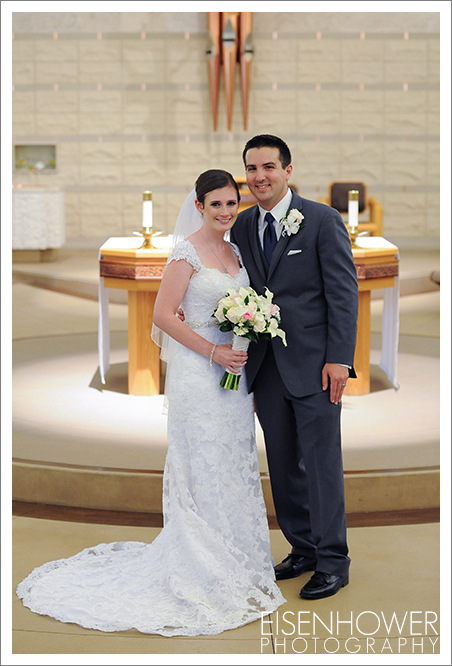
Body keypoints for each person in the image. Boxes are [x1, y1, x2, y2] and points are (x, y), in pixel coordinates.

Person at [16, 169, 285, 636]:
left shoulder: (238, 252)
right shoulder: (185, 253)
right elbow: (162, 315)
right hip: (199, 372)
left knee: (230, 458)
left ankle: (234, 556)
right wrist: (213, 351)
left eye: (231, 203)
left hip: (234, 375)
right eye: (215, 204)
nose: (225, 212)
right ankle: (200, 565)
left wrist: (241, 337)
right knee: (200, 459)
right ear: (198, 206)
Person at [230, 135, 359, 600]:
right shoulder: (242, 225)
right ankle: (303, 548)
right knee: (283, 466)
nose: (259, 177)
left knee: (322, 465)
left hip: (316, 366)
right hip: (266, 369)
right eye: (252, 169)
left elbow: (343, 293)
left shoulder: (322, 220)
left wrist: (339, 359)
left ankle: (333, 561)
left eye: (268, 167)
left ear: (287, 170)